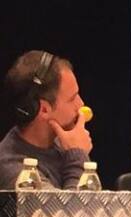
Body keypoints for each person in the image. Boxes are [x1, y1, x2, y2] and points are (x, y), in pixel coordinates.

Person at [0, 50, 92, 189]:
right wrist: (78, 155)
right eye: (72, 98)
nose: (81, 104)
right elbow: (69, 205)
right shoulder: (17, 172)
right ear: (44, 109)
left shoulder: (64, 145)